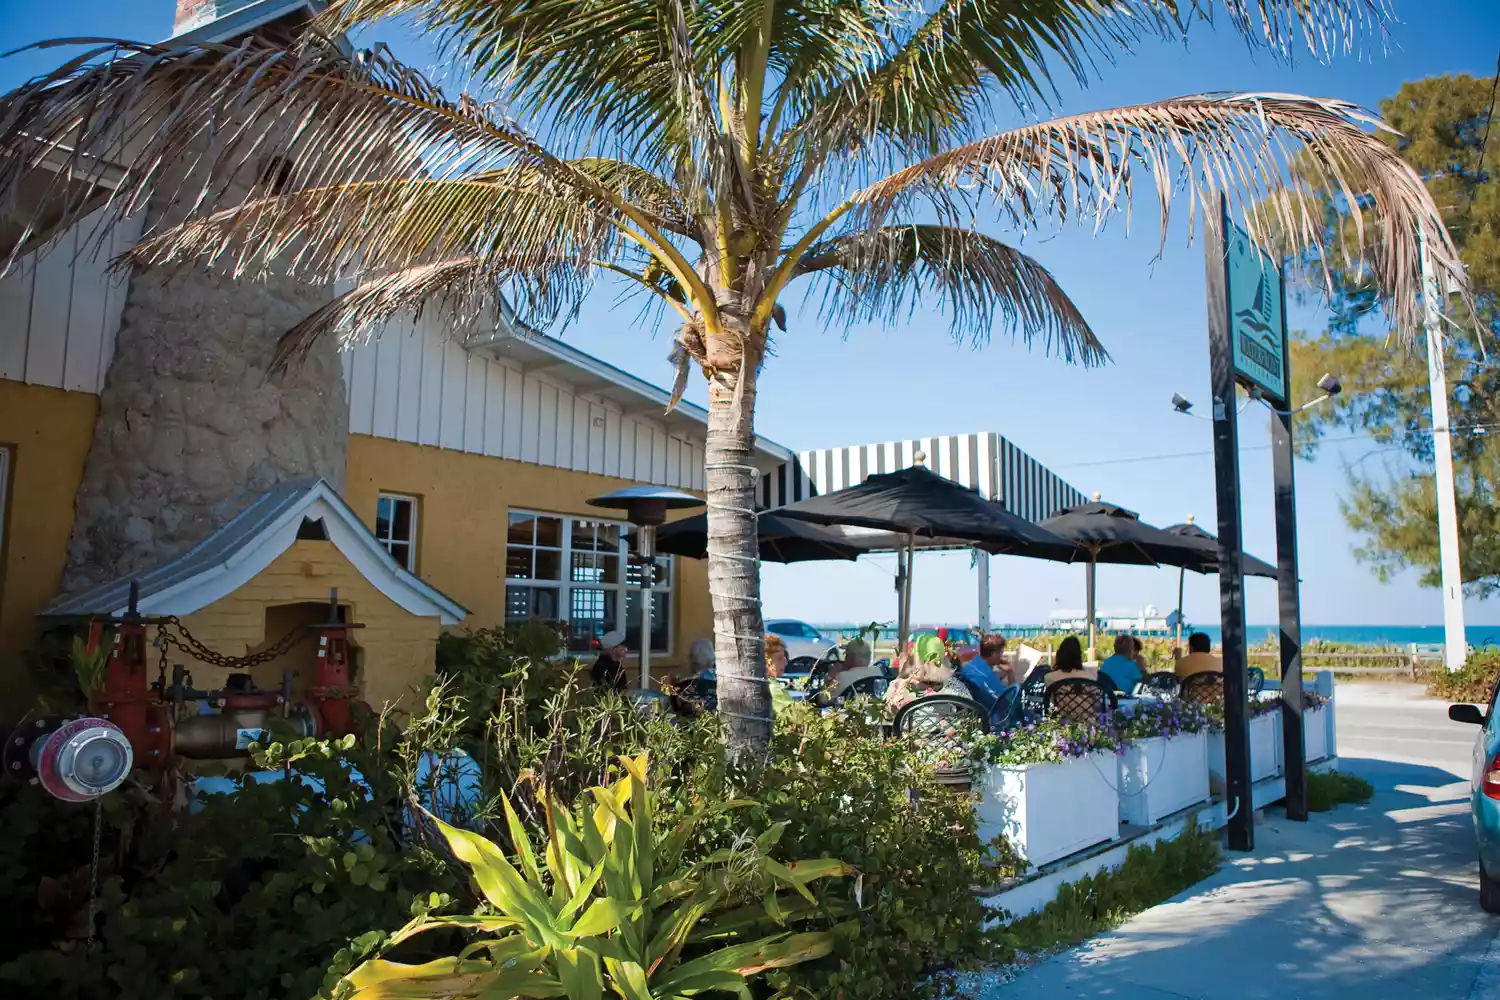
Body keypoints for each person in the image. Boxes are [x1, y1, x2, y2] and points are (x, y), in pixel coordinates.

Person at [884, 652, 974, 711]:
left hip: (907, 734)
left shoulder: (897, 686)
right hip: (951, 734)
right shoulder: (954, 685)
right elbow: (973, 710)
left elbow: (885, 713)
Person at [959, 633, 1014, 717]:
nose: (1001, 656)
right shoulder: (986, 675)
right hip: (992, 716)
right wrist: (1011, 672)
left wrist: (997, 676)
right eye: (1001, 653)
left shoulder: (974, 664)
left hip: (977, 706)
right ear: (994, 653)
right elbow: (1008, 701)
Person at [823, 638, 887, 702]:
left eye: (847, 655)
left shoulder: (842, 676)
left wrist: (831, 676)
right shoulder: (877, 671)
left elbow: (824, 700)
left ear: (851, 657)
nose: (845, 658)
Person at [764, 633, 794, 713]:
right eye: (780, 658)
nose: (785, 662)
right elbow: (795, 715)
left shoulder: (767, 683)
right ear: (767, 661)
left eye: (785, 657)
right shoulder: (773, 688)